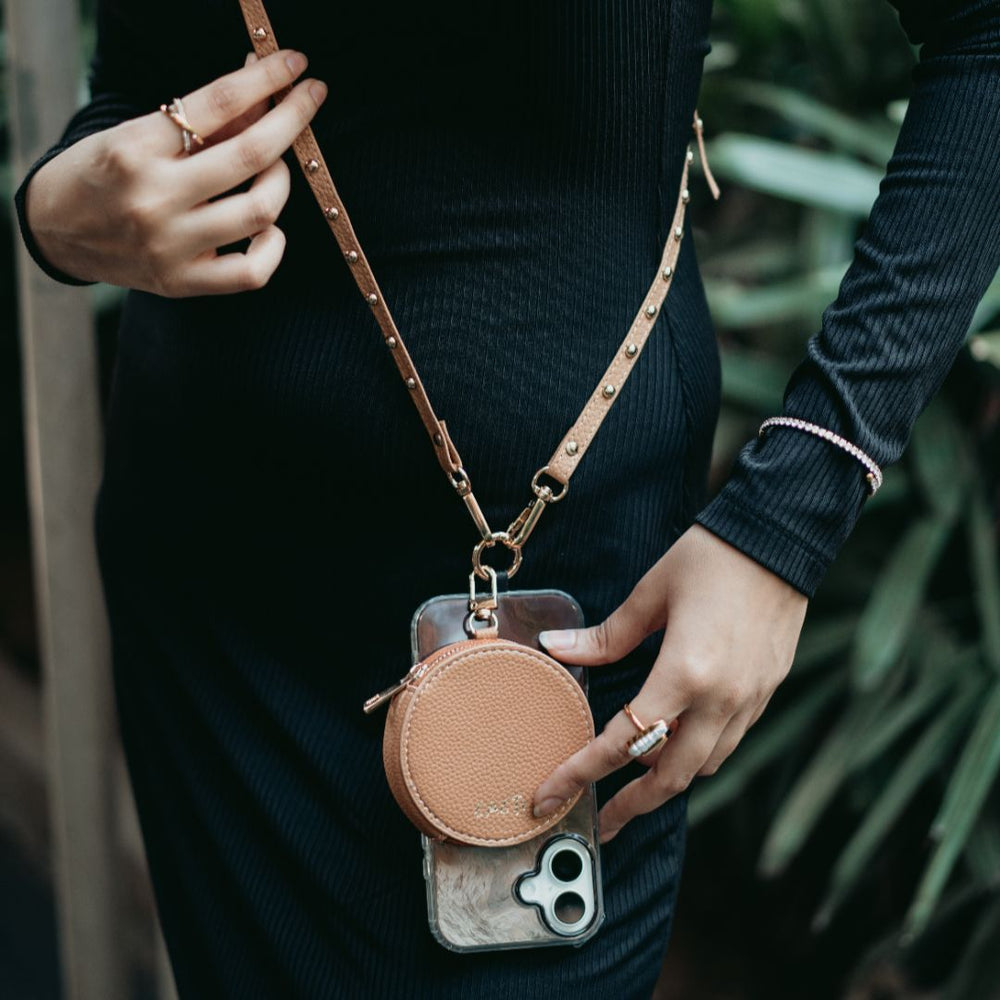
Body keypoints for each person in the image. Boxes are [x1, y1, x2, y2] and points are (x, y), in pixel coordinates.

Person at [12, 1, 1000, 997]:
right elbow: (151, 71)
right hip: (224, 596)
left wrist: (791, 515)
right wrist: (58, 207)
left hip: (582, 615)